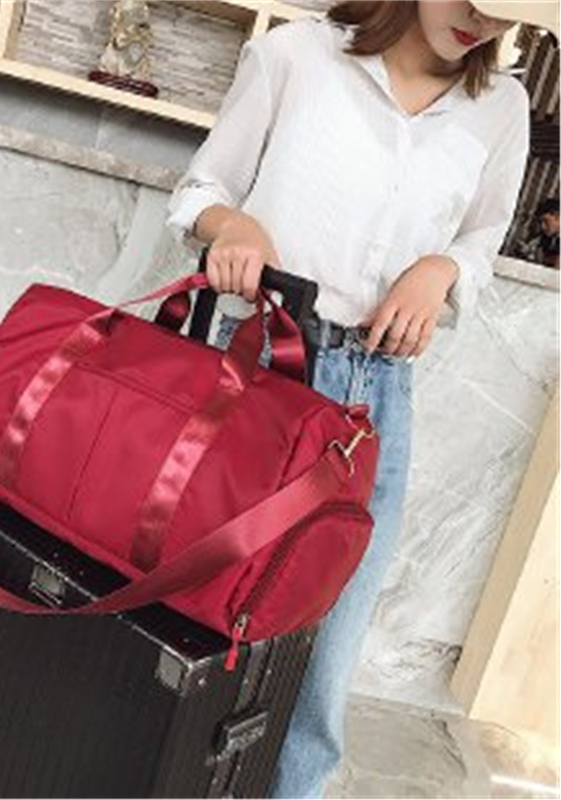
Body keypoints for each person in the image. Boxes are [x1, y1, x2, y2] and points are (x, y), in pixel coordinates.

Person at [166, 1, 558, 796]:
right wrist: (232, 224)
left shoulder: (501, 107)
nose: (479, 21)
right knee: (196, 617)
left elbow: (480, 242)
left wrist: (443, 270)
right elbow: (200, 187)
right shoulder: (296, 57)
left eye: (501, 9)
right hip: (262, 368)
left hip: (375, 397)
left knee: (324, 657)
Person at [517, 196, 560, 268]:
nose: (543, 226)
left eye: (546, 221)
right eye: (541, 222)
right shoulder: (544, 238)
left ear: (558, 217)